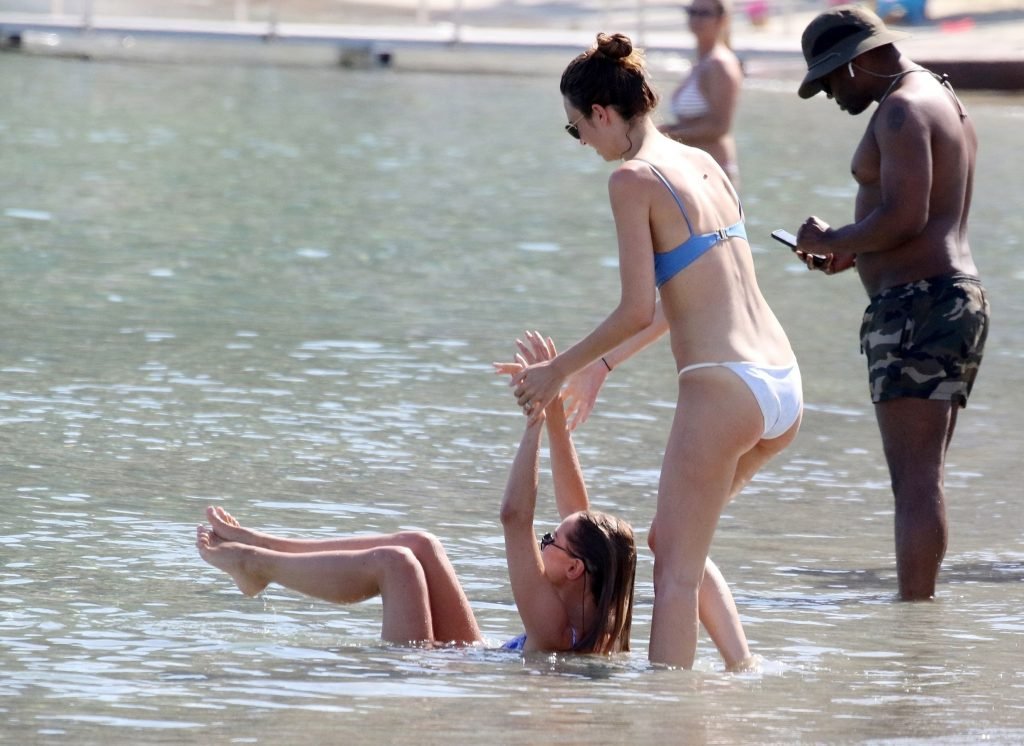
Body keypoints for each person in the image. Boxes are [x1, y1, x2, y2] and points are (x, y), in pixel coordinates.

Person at [506, 33, 801, 669]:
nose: (583, 143)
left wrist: (557, 371)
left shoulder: (632, 179)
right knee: (673, 542)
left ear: (602, 113)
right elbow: (687, 297)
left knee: (675, 578)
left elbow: (637, 308)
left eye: (576, 128)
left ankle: (669, 714)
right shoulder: (705, 163)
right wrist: (601, 366)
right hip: (781, 383)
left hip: (724, 386)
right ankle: (745, 671)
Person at [198, 336, 750, 665]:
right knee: (421, 543)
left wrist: (532, 421)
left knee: (396, 564)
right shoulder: (598, 607)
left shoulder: (555, 629)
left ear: (574, 567)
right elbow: (575, 514)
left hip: (427, 674)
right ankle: (261, 544)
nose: (543, 541)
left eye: (550, 541)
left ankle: (258, 566)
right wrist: (555, 411)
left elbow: (514, 516)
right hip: (472, 654)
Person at [791, 5, 989, 601]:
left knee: (914, 482)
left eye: (830, 80)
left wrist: (833, 239)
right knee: (924, 478)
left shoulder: (901, 109)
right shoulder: (940, 96)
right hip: (951, 300)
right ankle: (920, 618)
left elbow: (907, 215)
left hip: (917, 307)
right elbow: (925, 216)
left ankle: (912, 620)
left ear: (856, 63)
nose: (830, 95)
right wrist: (854, 252)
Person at [659, 0, 743, 185]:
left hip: (713, 172)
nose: (696, 19)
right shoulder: (701, 62)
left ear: (723, 20)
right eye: (692, 12)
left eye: (704, 13)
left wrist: (664, 137)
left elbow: (719, 127)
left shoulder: (720, 64)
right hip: (692, 170)